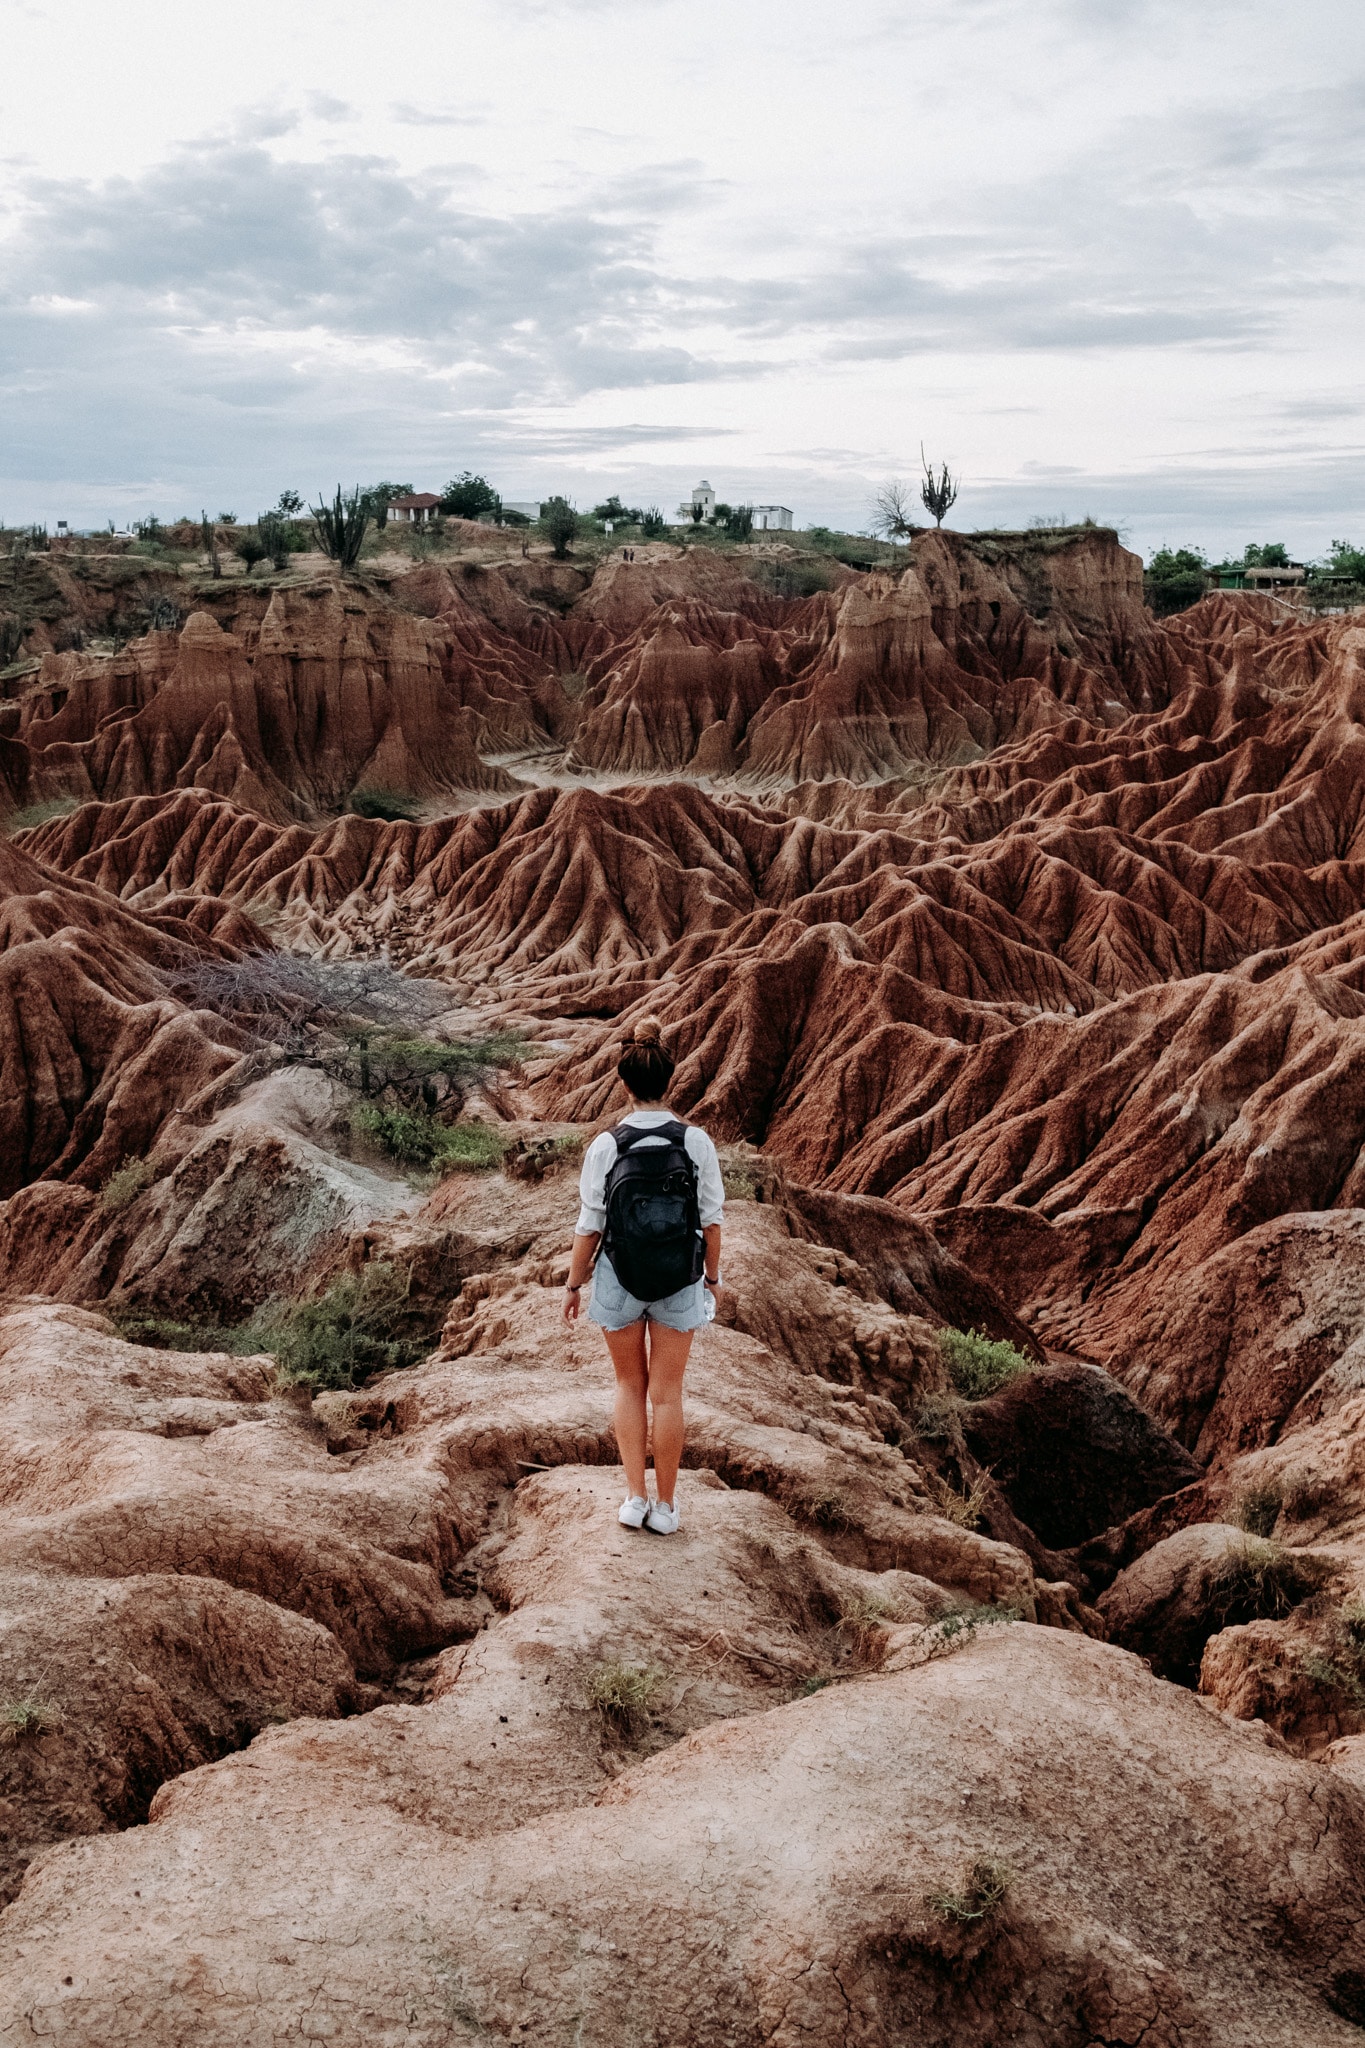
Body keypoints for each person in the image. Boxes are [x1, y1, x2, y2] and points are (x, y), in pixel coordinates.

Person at [562, 1017, 724, 1535]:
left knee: (630, 1386)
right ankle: (668, 1508)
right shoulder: (695, 1141)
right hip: (680, 1280)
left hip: (619, 1279)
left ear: (625, 1084)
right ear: (668, 1081)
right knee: (668, 1394)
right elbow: (710, 1221)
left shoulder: (606, 1145)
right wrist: (712, 1281)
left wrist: (572, 1285)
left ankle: (634, 1499)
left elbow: (591, 1226)